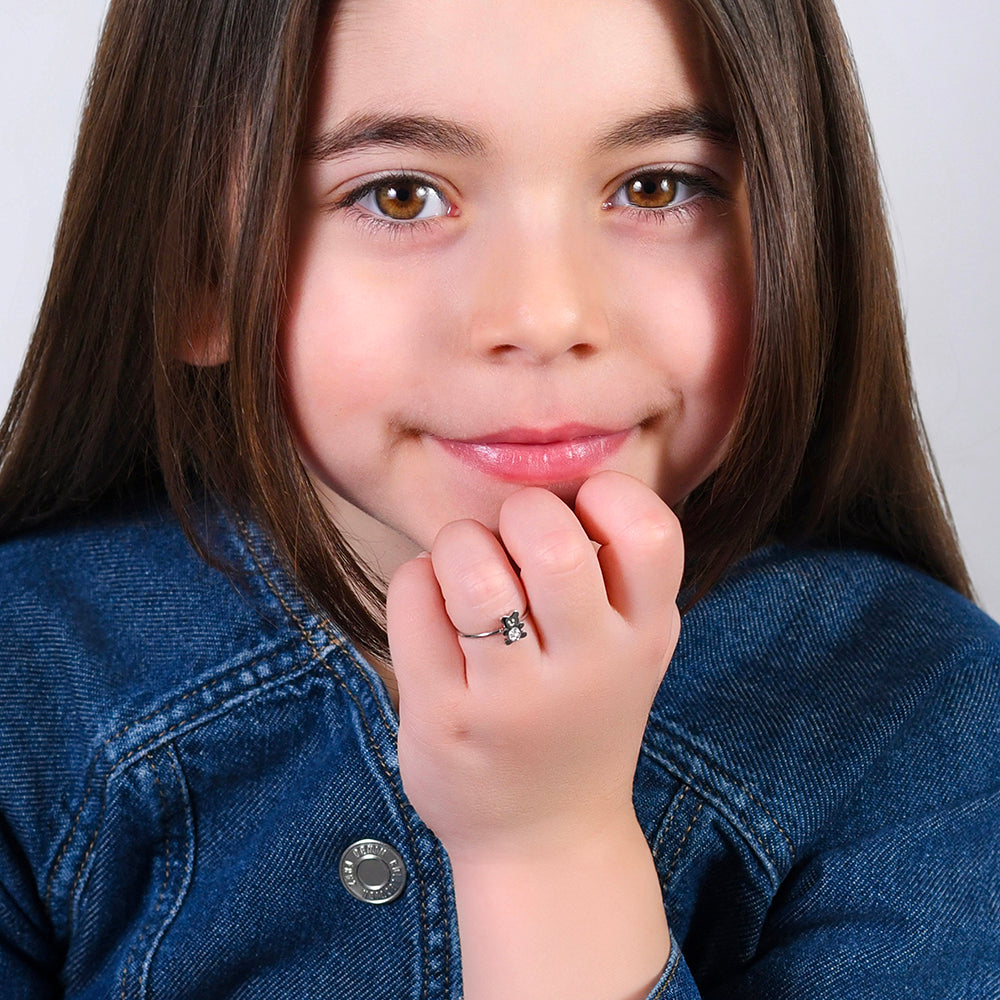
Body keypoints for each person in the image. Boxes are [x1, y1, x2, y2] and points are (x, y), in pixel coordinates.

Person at [1, 0, 997, 996]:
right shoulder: (26, 683)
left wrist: (548, 851)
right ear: (196, 272)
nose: (543, 314)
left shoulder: (919, 713)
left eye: (657, 186)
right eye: (398, 195)